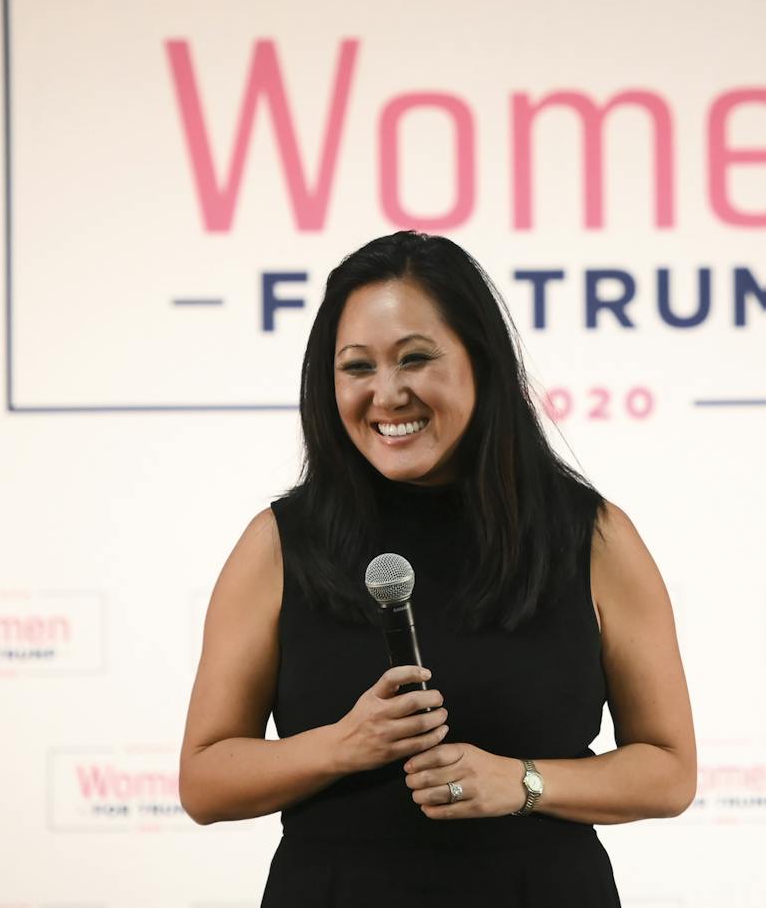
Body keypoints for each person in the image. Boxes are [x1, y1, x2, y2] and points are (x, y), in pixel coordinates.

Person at [179, 231, 696, 906]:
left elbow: (669, 771)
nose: (387, 394)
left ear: (481, 362)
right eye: (357, 367)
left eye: (415, 359)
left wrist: (524, 783)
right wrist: (342, 745)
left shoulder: (591, 536)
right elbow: (205, 780)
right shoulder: (279, 543)